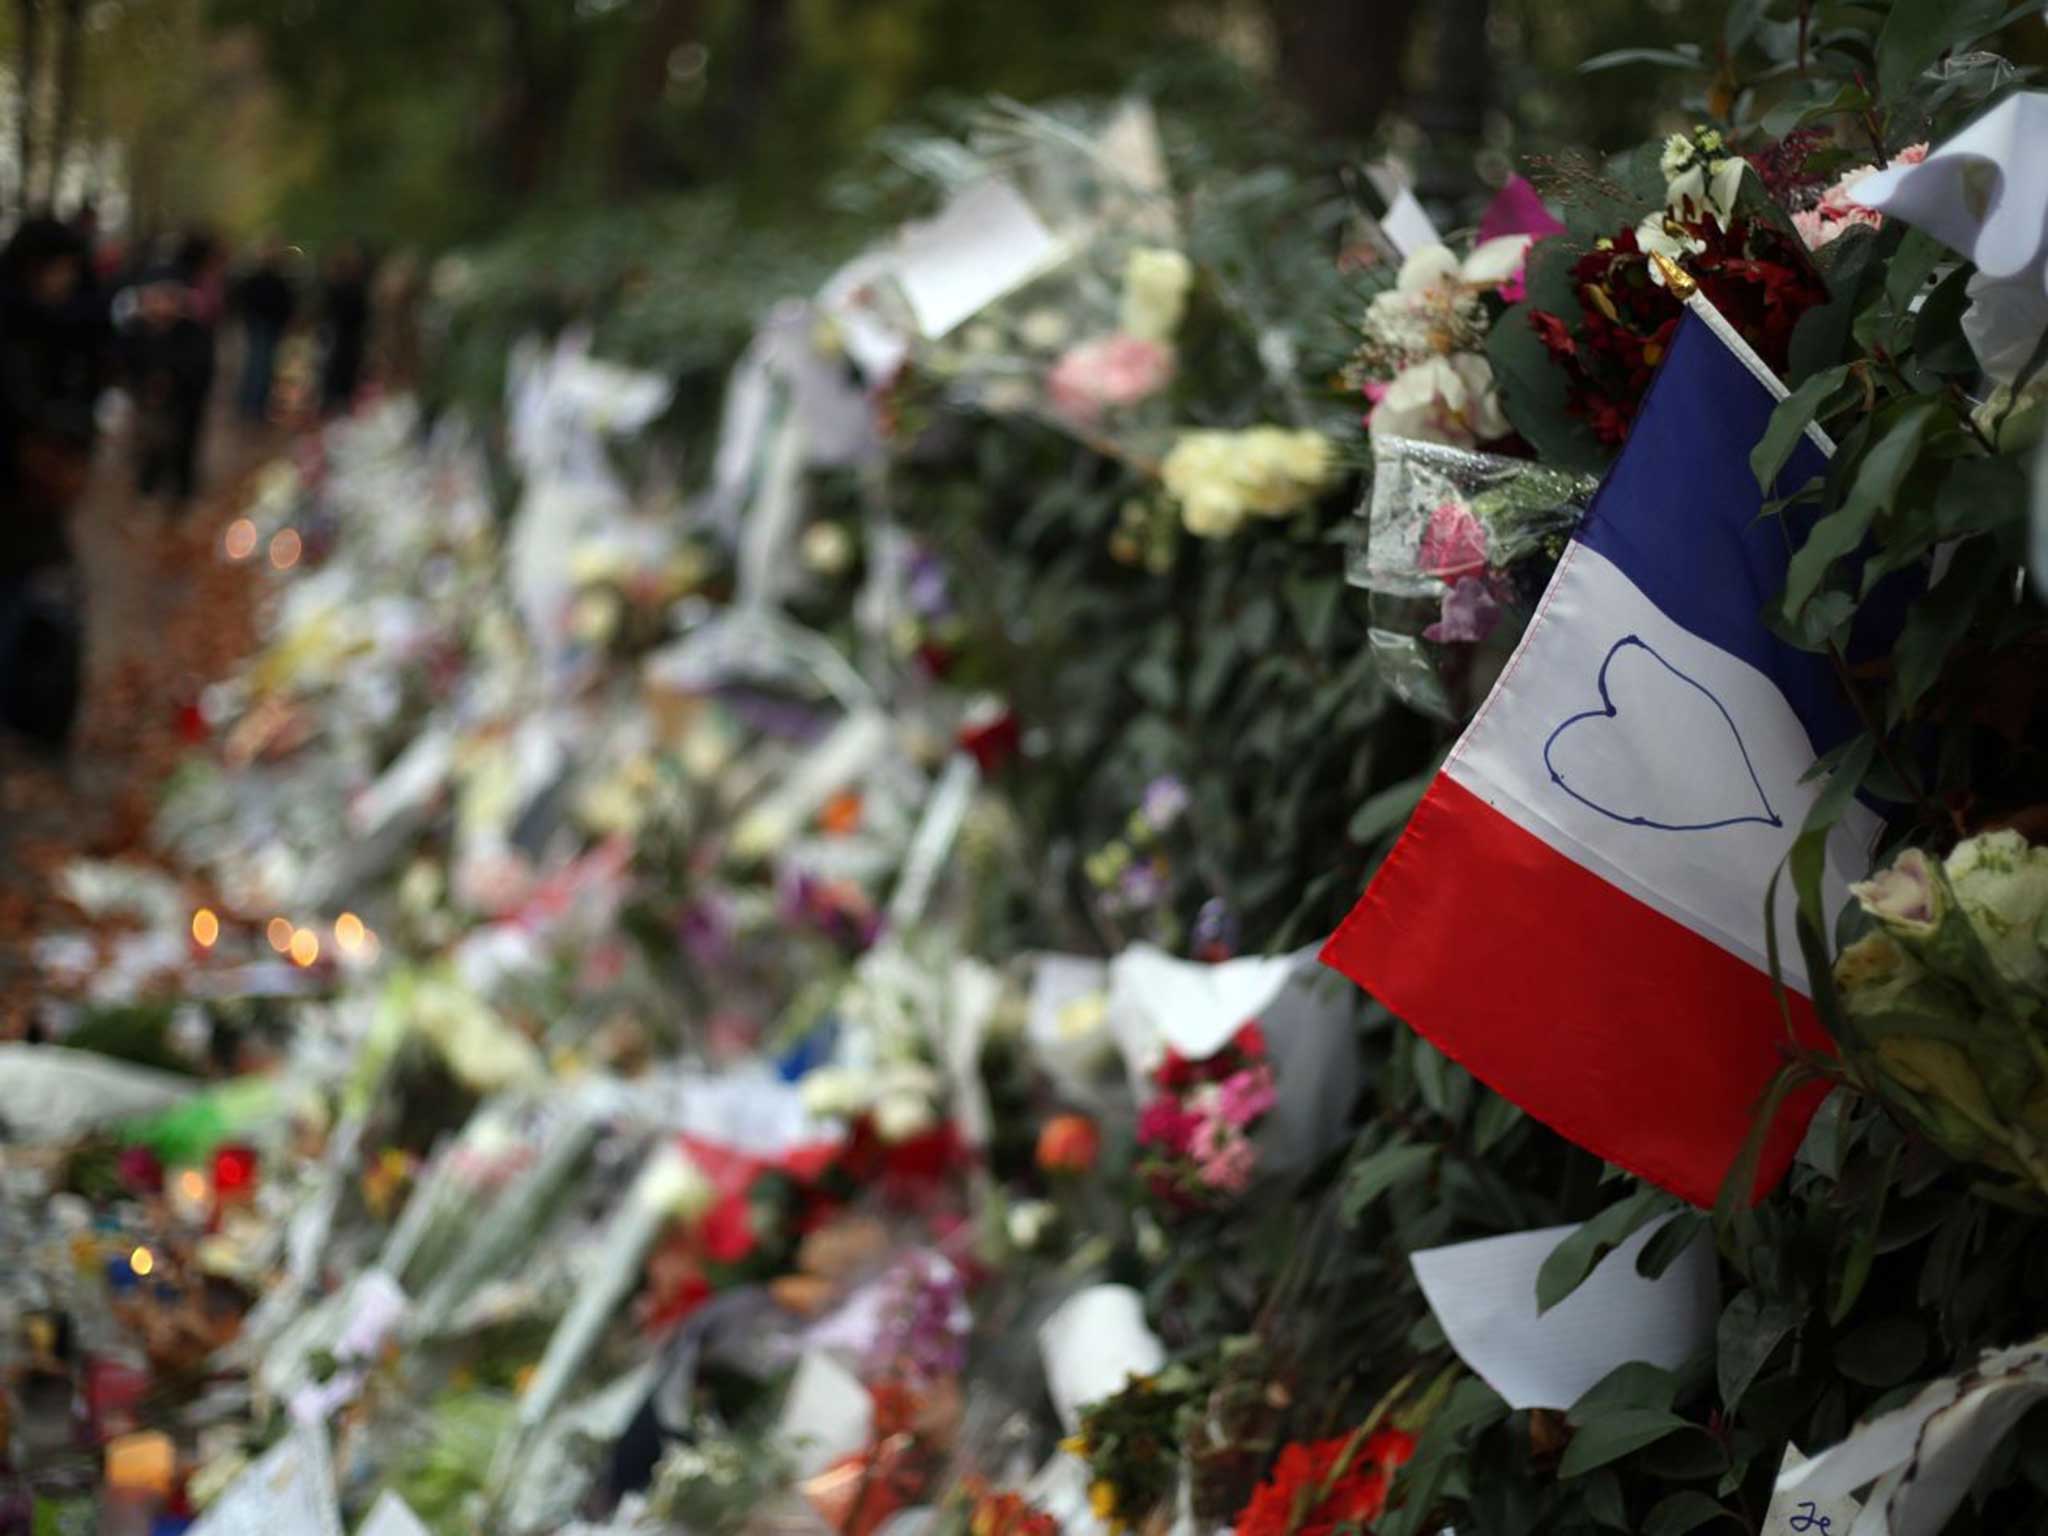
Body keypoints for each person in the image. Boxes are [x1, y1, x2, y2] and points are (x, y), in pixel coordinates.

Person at [0, 218, 102, 750]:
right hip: (17, 494)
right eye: (62, 268)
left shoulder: (43, 322)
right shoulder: (21, 325)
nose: (67, 280)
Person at [118, 262, 215, 510]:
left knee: (182, 450)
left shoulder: (193, 333)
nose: (161, 304)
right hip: (146, 405)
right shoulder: (134, 331)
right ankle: (146, 489)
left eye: (168, 297)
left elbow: (202, 370)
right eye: (155, 297)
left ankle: (181, 494)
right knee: (147, 450)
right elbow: (123, 364)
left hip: (184, 406)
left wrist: (174, 380)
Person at [230, 238, 296, 423]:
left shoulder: (271, 278)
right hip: (261, 324)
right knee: (259, 364)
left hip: (266, 324)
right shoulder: (265, 278)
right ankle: (252, 406)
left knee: (259, 364)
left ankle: (252, 405)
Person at [318, 241, 371, 416]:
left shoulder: (339, 286)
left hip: (343, 337)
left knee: (337, 371)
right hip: (344, 337)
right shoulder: (350, 288)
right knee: (338, 371)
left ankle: (334, 404)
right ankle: (336, 404)